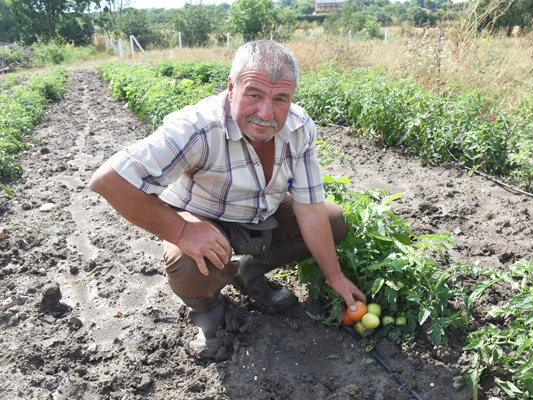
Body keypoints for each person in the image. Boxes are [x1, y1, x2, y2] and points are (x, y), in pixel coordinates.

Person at [90, 40, 365, 357]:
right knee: (188, 263)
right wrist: (184, 232)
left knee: (333, 220)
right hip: (203, 217)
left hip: (260, 217)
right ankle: (207, 311)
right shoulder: (198, 128)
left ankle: (248, 271)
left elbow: (309, 207)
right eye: (254, 95)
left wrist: (336, 277)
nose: (266, 113)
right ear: (232, 87)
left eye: (280, 99)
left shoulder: (298, 128)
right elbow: (109, 180)